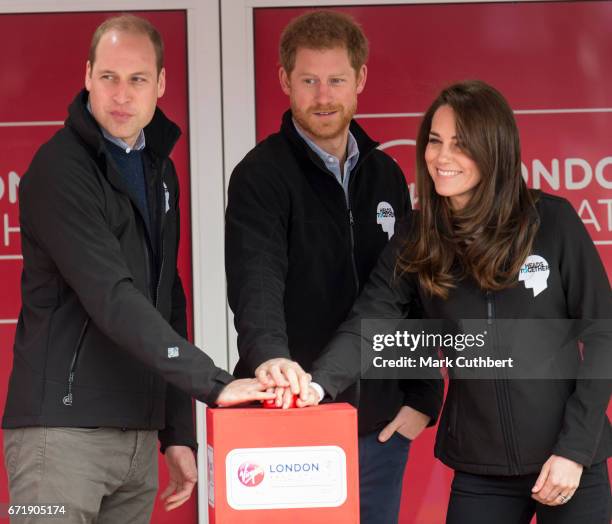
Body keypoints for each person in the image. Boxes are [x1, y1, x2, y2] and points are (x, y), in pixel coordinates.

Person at [2, 15, 273, 524]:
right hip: (60, 441)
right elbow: (113, 296)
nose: (121, 94)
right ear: (87, 76)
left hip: (135, 440)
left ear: (161, 84)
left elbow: (166, 300)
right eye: (108, 77)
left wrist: (176, 432)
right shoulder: (60, 169)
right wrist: (212, 384)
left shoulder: (159, 170)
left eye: (137, 79)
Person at [304, 80, 612, 523]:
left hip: (568, 461)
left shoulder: (552, 222)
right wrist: (316, 386)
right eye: (435, 141)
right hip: (480, 470)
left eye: (461, 144)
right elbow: (370, 323)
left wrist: (575, 450)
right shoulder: (417, 235)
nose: (442, 157)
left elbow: (602, 335)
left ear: (495, 151)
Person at [225, 10, 442, 523]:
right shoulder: (260, 176)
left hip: (379, 428)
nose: (323, 96)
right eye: (309, 81)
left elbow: (412, 294)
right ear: (285, 82)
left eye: (336, 80)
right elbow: (256, 284)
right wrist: (271, 360)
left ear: (360, 79)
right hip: (293, 422)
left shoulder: (386, 174)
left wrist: (423, 395)